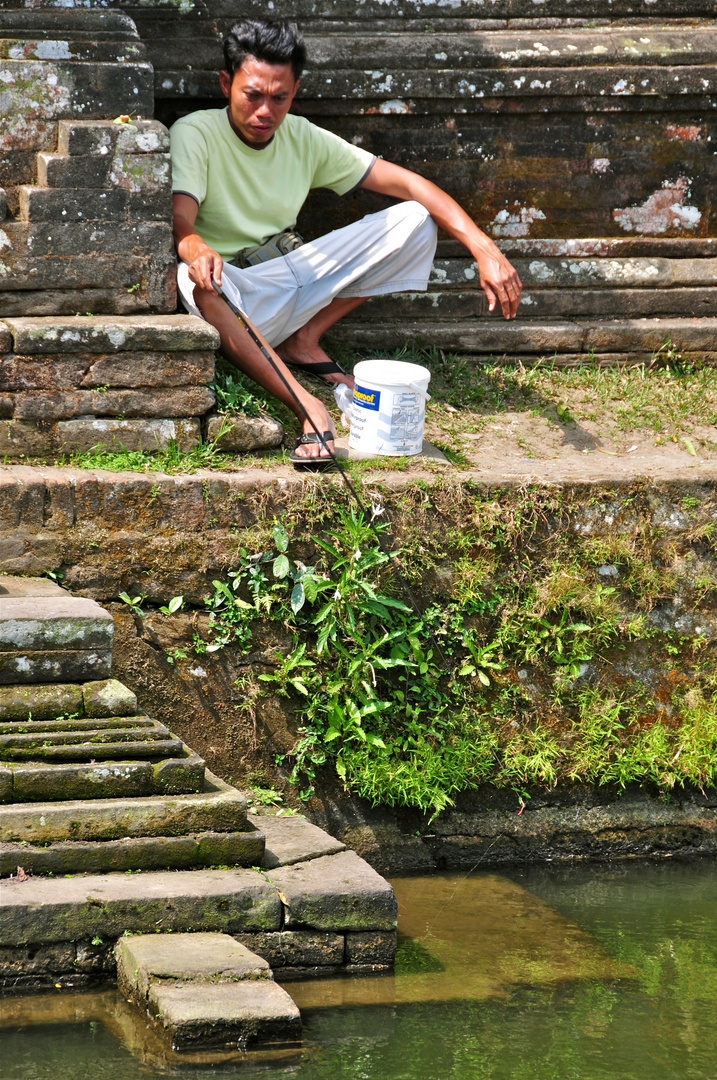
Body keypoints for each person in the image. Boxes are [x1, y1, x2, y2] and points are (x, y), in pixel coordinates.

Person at [170, 18, 521, 465]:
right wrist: (198, 249)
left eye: (279, 98)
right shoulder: (195, 133)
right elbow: (182, 221)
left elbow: (413, 186)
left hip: (290, 279)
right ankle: (306, 406)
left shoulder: (304, 137)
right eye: (252, 95)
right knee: (191, 280)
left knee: (416, 220)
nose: (265, 111)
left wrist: (484, 250)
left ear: (294, 91)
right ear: (226, 83)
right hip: (231, 294)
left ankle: (304, 339)